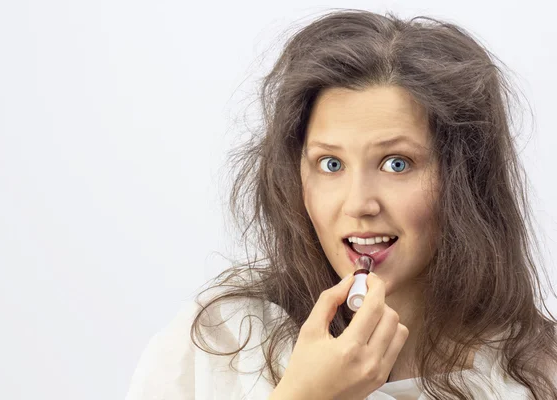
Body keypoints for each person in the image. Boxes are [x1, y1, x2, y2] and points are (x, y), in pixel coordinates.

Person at [125, 9, 557, 400]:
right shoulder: (217, 341)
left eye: (396, 163)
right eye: (330, 164)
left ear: (465, 180)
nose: (358, 204)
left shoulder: (538, 374)